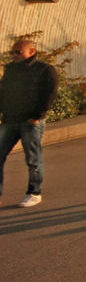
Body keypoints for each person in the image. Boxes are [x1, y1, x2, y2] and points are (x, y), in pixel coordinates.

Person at [0, 38, 59, 208]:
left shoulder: (45, 70)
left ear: (32, 52)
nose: (14, 55)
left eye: (18, 52)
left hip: (31, 121)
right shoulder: (11, 69)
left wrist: (38, 115)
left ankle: (34, 193)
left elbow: (50, 93)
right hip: (10, 120)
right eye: (12, 52)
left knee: (33, 159)